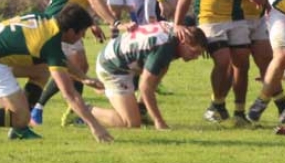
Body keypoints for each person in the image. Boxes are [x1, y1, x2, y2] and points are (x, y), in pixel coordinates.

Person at [0, 4, 112, 143]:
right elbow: (70, 95)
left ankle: (19, 131)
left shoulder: (49, 21)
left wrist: (84, 79)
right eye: (82, 33)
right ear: (70, 31)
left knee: (42, 70)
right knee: (19, 116)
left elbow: (59, 59)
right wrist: (95, 126)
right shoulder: (50, 44)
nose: (82, 37)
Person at [172, 0, 285, 127]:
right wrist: (178, 24)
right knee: (223, 60)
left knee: (242, 63)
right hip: (211, 19)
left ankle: (239, 112)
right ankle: (216, 105)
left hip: (235, 18)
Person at [30, 0, 124, 126]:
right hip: (59, 24)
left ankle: (71, 113)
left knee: (80, 67)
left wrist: (90, 24)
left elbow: (79, 0)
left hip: (70, 23)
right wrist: (114, 22)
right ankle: (39, 109)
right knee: (69, 69)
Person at [73, 21, 208, 130]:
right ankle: (82, 111)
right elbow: (145, 87)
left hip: (122, 60)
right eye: (194, 52)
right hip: (113, 67)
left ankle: (141, 110)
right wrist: (158, 121)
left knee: (161, 68)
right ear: (184, 42)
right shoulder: (165, 48)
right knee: (130, 123)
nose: (195, 57)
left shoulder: (176, 33)